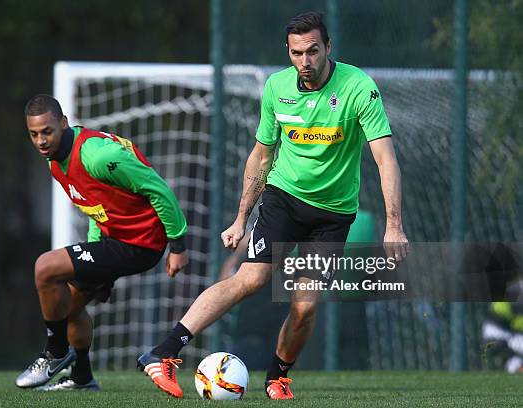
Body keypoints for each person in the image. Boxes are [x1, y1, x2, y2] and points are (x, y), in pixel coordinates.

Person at [138, 11, 408, 400]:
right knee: (251, 279)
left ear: (328, 48)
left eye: (313, 51)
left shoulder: (358, 88)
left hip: (333, 215)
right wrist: (240, 218)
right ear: (288, 51)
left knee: (305, 306)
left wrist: (394, 226)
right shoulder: (276, 87)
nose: (305, 61)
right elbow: (261, 157)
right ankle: (164, 353)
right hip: (283, 199)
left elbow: (386, 159)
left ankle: (276, 377)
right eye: (297, 53)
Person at [16, 94, 189, 391]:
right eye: (34, 134)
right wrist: (94, 257)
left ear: (64, 123)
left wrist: (178, 245)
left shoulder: (98, 156)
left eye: (47, 131)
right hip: (114, 239)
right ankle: (82, 377)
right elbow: (98, 206)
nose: (41, 141)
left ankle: (55, 354)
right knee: (68, 307)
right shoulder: (56, 163)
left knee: (45, 267)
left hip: (141, 243)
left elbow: (159, 190)